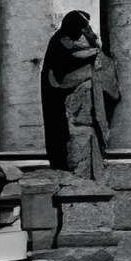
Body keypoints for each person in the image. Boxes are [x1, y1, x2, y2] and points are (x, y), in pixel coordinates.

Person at [39, 12, 118, 184]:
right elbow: (70, 57)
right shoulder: (61, 39)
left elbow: (87, 46)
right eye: (81, 27)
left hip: (66, 93)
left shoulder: (74, 37)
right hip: (57, 89)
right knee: (60, 133)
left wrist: (92, 40)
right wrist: (93, 52)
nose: (83, 31)